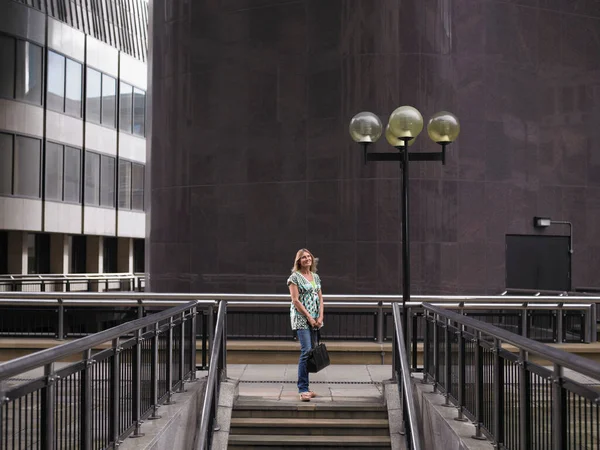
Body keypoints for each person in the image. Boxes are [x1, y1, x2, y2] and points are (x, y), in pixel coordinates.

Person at [287, 248, 324, 402]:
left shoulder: (315, 276)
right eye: (303, 257)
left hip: (316, 319)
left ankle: (307, 387)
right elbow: (295, 300)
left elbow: (321, 298)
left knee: (311, 354)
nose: (307, 259)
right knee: (306, 351)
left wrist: (320, 316)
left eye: (309, 256)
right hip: (302, 318)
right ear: (298, 261)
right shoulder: (294, 278)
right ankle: (302, 389)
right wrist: (309, 317)